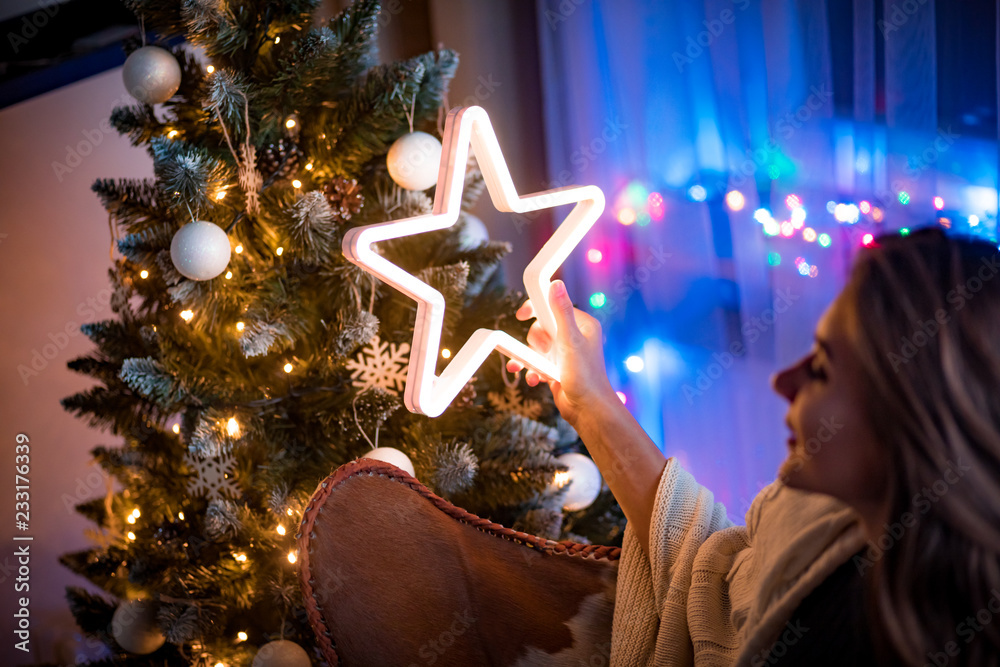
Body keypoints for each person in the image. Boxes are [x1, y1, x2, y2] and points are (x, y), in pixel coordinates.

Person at [507, 227, 1000, 666]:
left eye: (823, 368)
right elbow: (714, 587)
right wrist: (588, 395)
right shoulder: (826, 544)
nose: (783, 381)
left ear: (915, 418)